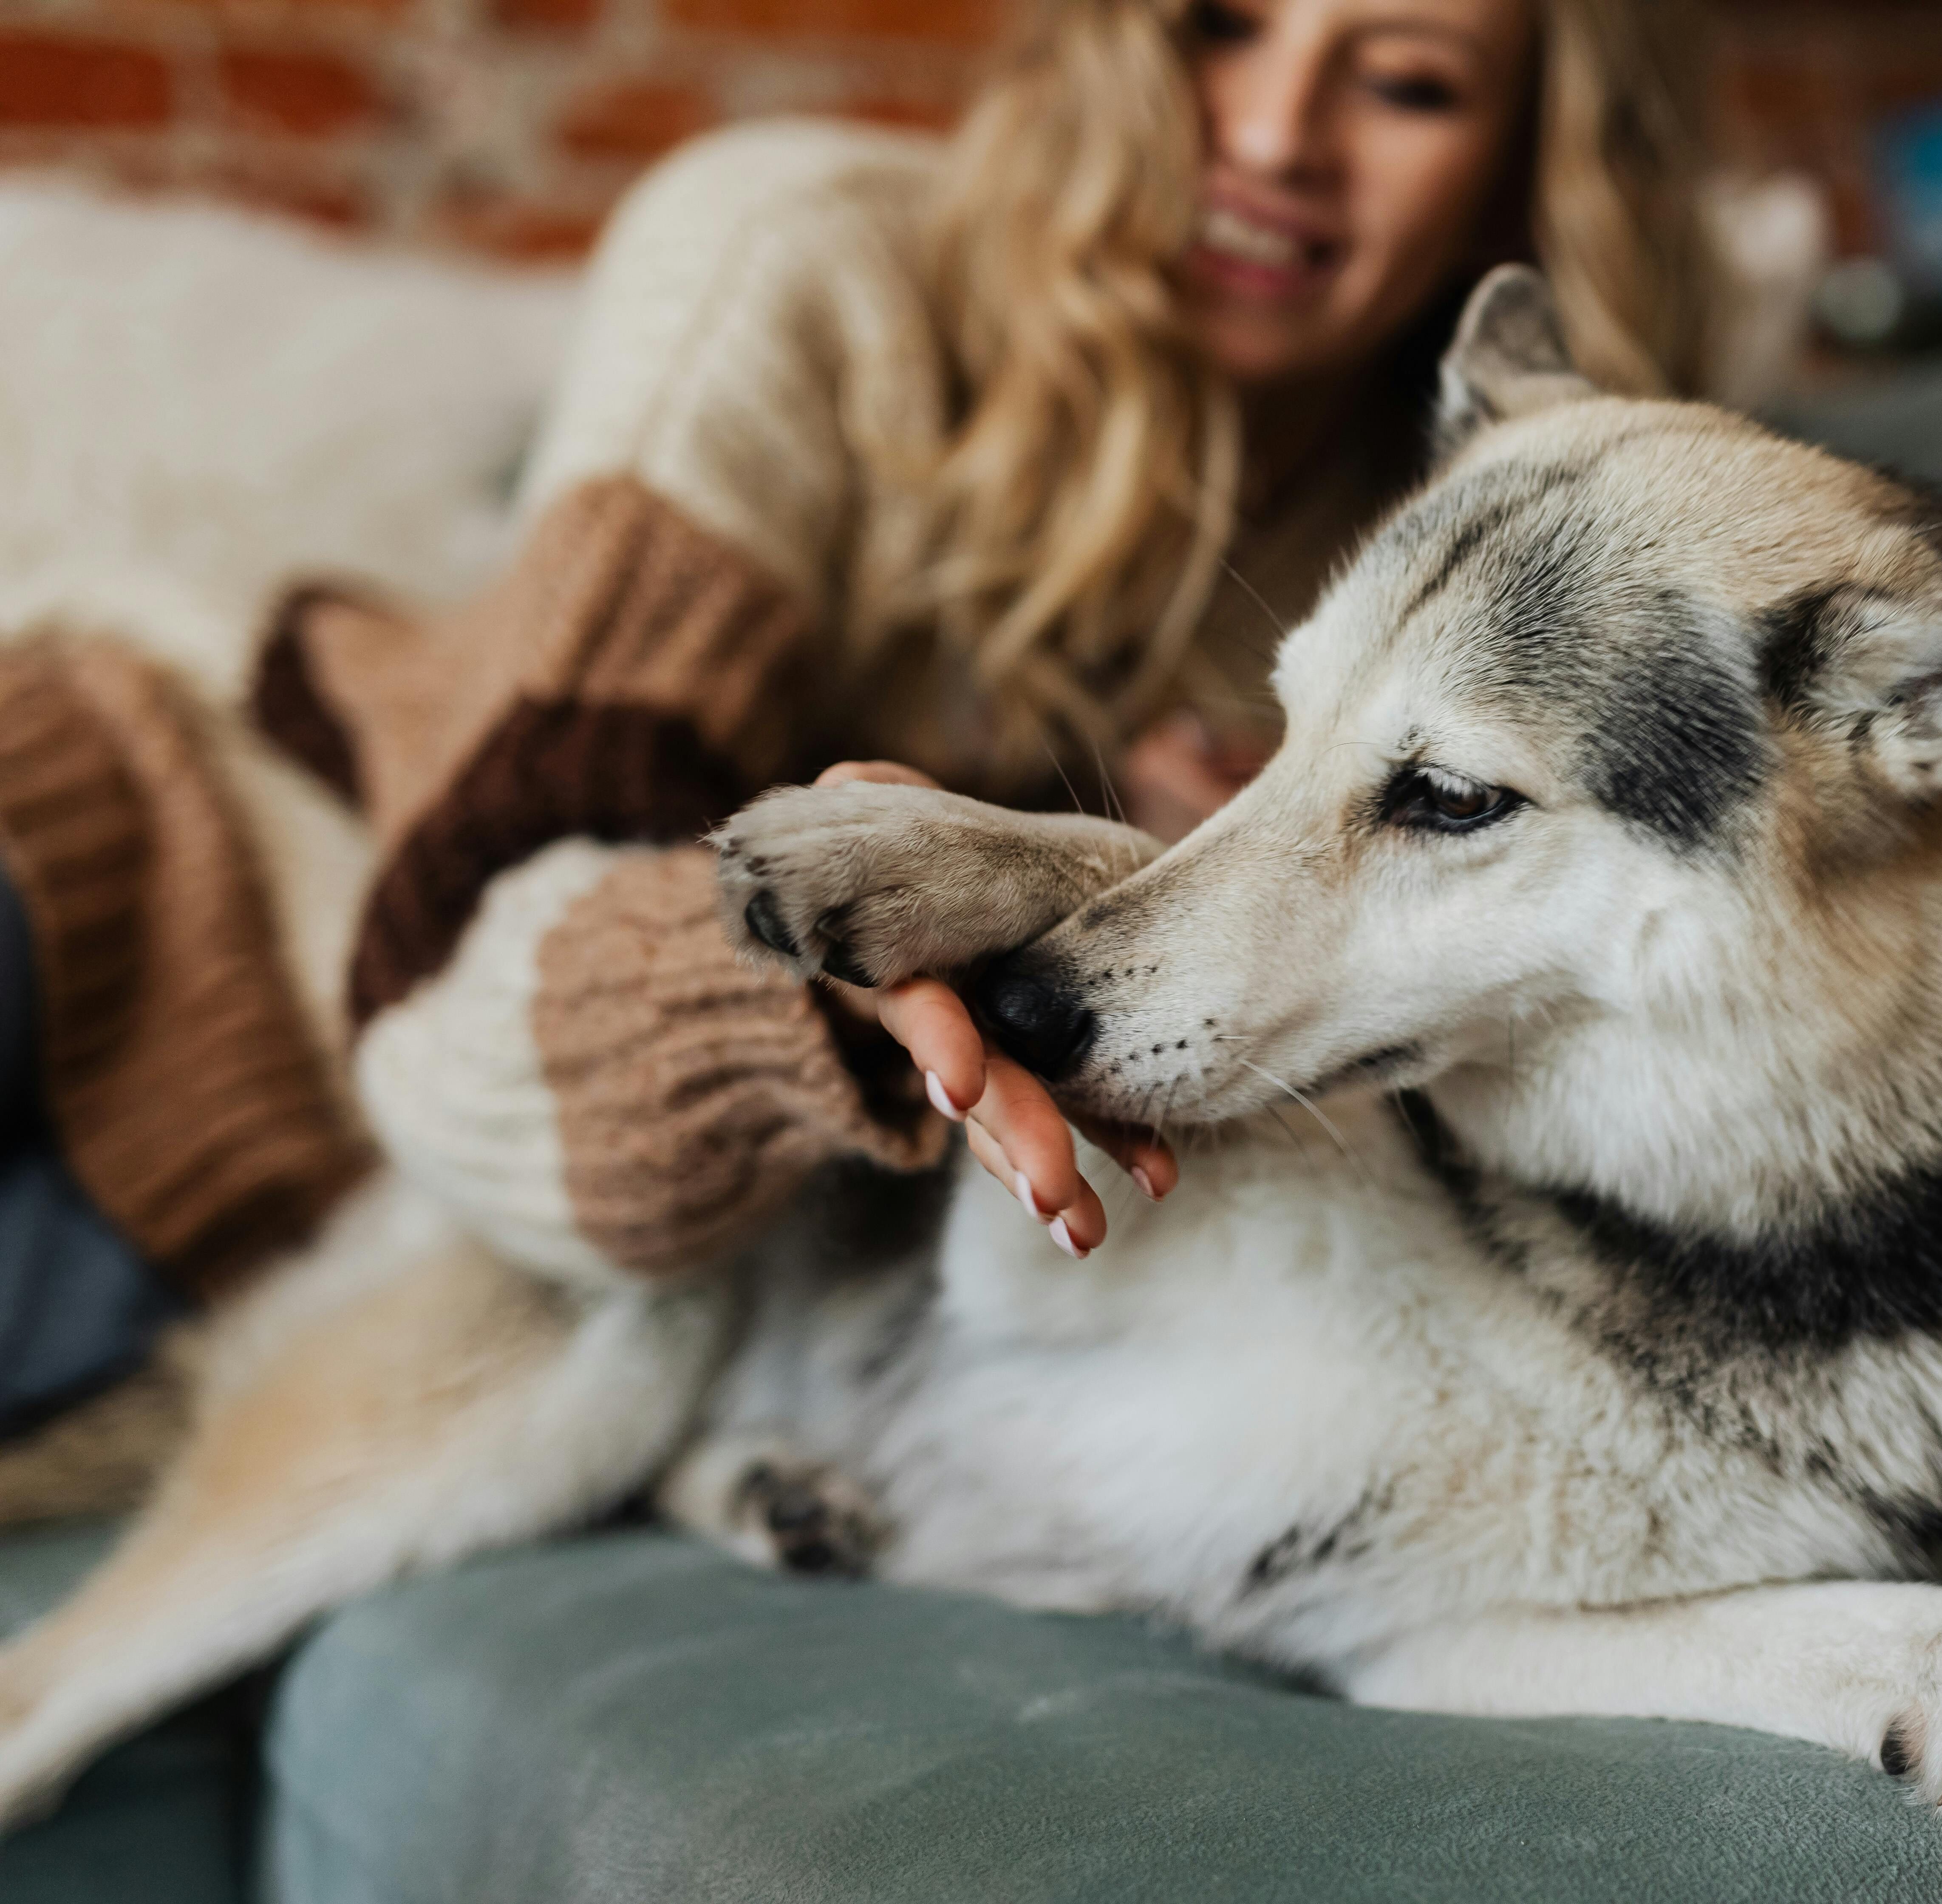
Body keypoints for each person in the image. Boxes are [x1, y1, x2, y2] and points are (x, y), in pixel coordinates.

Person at [0, 0, 1738, 1435]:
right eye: (1218, 30)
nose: (1279, 135)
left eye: (1411, 81)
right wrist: (855, 976)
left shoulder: (1501, 558)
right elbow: (448, 991)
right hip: (163, 859)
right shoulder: (801, 265)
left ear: (1528, 162)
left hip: (297, 1220)